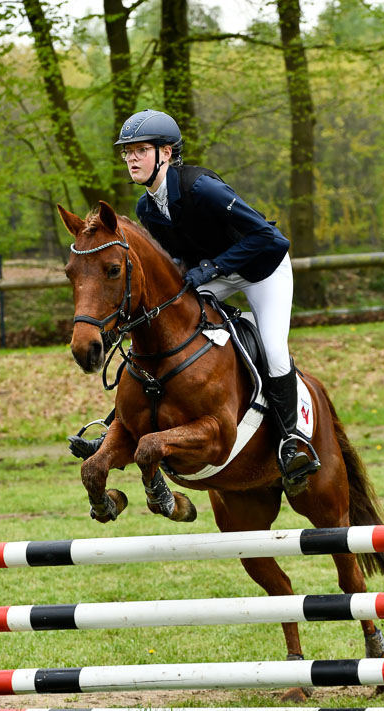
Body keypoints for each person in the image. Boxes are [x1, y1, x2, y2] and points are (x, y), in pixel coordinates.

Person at [69, 109, 320, 488]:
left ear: (166, 153)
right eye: (127, 152)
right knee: (158, 322)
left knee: (273, 349)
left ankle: (291, 440)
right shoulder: (146, 208)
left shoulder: (202, 188)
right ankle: (114, 428)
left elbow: (271, 240)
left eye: (140, 150)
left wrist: (210, 268)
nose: (131, 159)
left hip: (262, 270)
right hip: (213, 273)